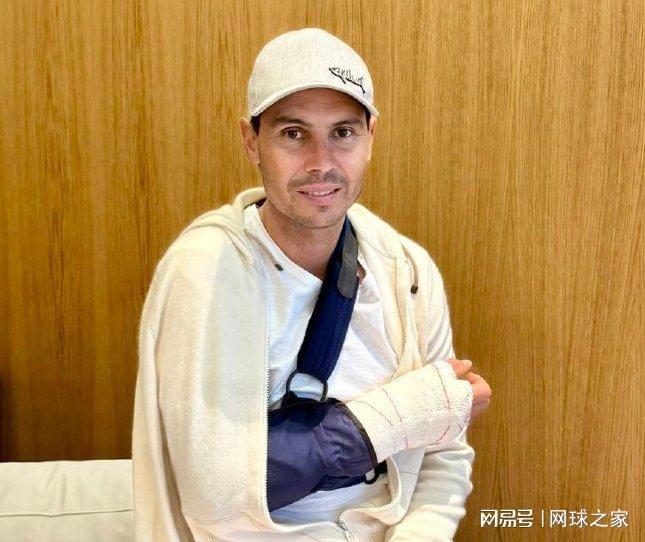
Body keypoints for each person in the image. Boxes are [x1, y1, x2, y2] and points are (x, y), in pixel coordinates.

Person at [132, 27, 492, 541]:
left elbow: (443, 452)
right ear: (252, 140)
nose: (321, 162)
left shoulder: (406, 270)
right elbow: (217, 496)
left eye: (343, 132)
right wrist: (401, 414)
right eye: (293, 134)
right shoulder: (204, 272)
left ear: (371, 136)